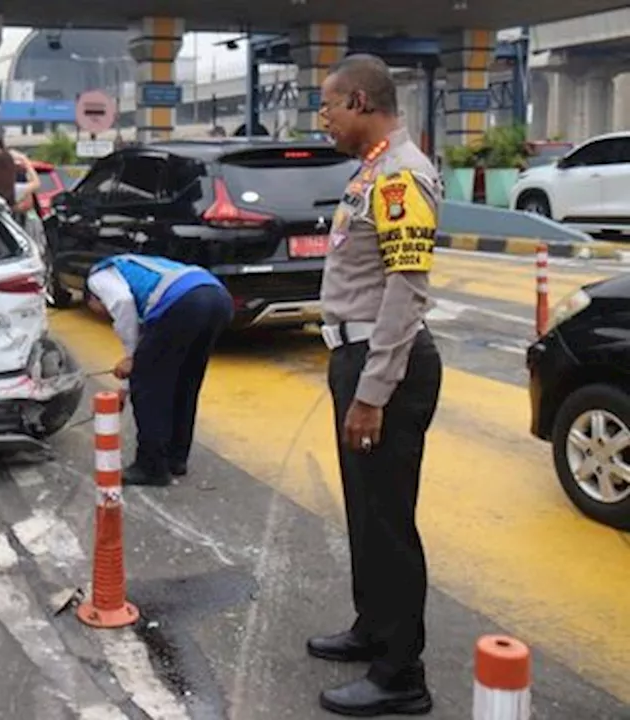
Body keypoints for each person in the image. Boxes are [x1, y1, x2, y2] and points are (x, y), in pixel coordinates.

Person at [308, 53, 442, 717]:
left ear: (359, 101)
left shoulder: (400, 176)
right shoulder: (374, 169)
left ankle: (401, 674)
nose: (322, 118)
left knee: (389, 520)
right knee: (366, 510)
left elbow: (405, 290)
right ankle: (373, 628)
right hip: (356, 357)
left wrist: (373, 392)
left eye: (329, 106)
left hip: (383, 364)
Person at [84, 254, 233, 486]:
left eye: (98, 310)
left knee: (149, 387)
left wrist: (134, 360)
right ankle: (176, 458)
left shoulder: (98, 277)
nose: (105, 315)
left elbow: (121, 303)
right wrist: (124, 388)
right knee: (184, 381)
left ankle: (151, 466)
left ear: (92, 297)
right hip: (218, 297)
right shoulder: (136, 267)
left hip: (185, 303)